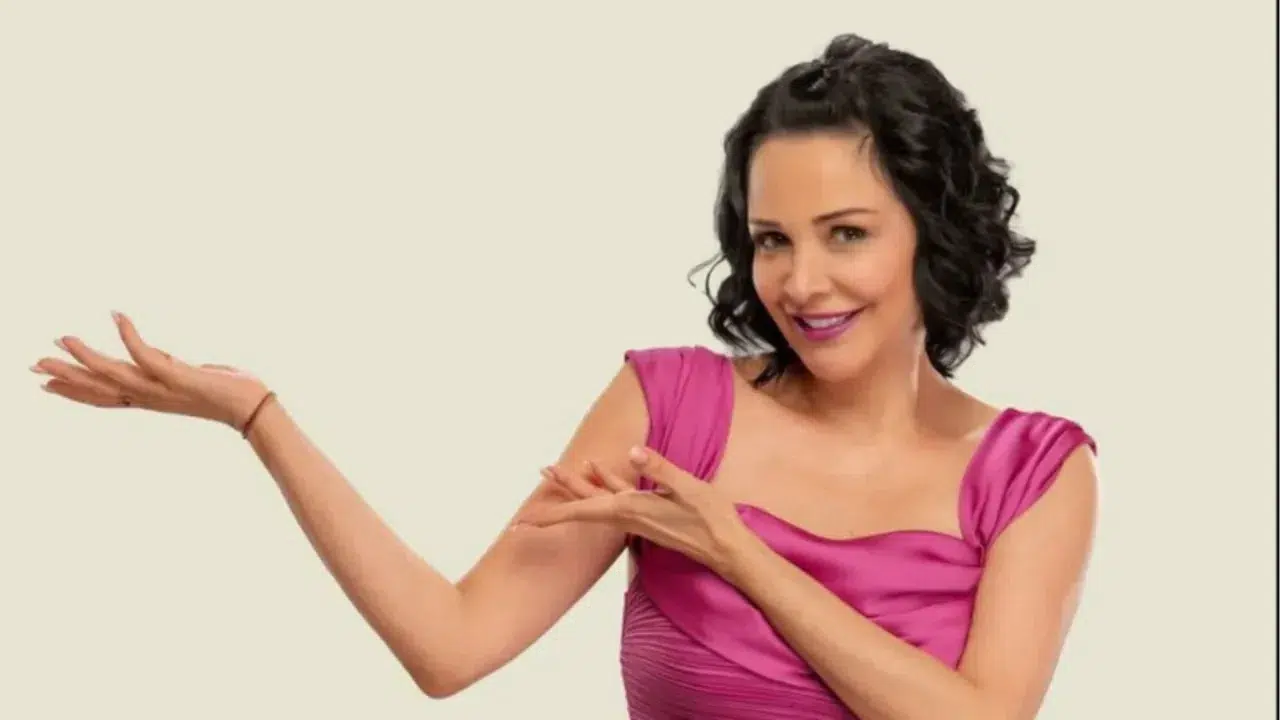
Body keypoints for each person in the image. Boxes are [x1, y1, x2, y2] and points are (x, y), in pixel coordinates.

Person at [32, 33, 1098, 720]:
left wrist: (736, 551)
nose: (800, 280)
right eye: (771, 239)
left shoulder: (1033, 471)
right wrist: (259, 418)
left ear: (933, 234)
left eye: (846, 233)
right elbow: (450, 647)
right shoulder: (670, 410)